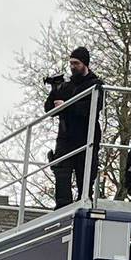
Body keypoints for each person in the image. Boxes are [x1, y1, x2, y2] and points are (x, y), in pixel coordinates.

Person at [41, 48, 106, 207]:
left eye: (76, 63)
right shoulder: (65, 86)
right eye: (71, 63)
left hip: (86, 137)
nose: (72, 66)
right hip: (65, 137)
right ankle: (62, 208)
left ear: (85, 64)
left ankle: (83, 204)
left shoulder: (95, 85)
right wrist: (54, 92)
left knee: (85, 176)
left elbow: (92, 108)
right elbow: (49, 109)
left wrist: (67, 106)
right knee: (62, 173)